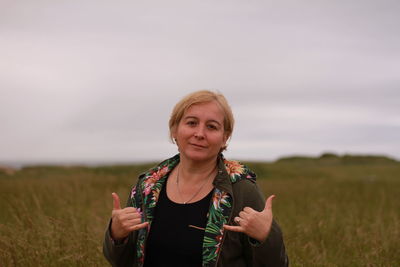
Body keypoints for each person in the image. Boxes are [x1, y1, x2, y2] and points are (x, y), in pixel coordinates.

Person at [103, 90, 288, 267]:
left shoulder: (241, 189)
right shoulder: (148, 185)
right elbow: (121, 261)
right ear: (175, 130)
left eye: (211, 127)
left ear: (225, 138)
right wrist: (117, 236)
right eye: (191, 123)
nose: (199, 134)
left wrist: (266, 238)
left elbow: (277, 264)